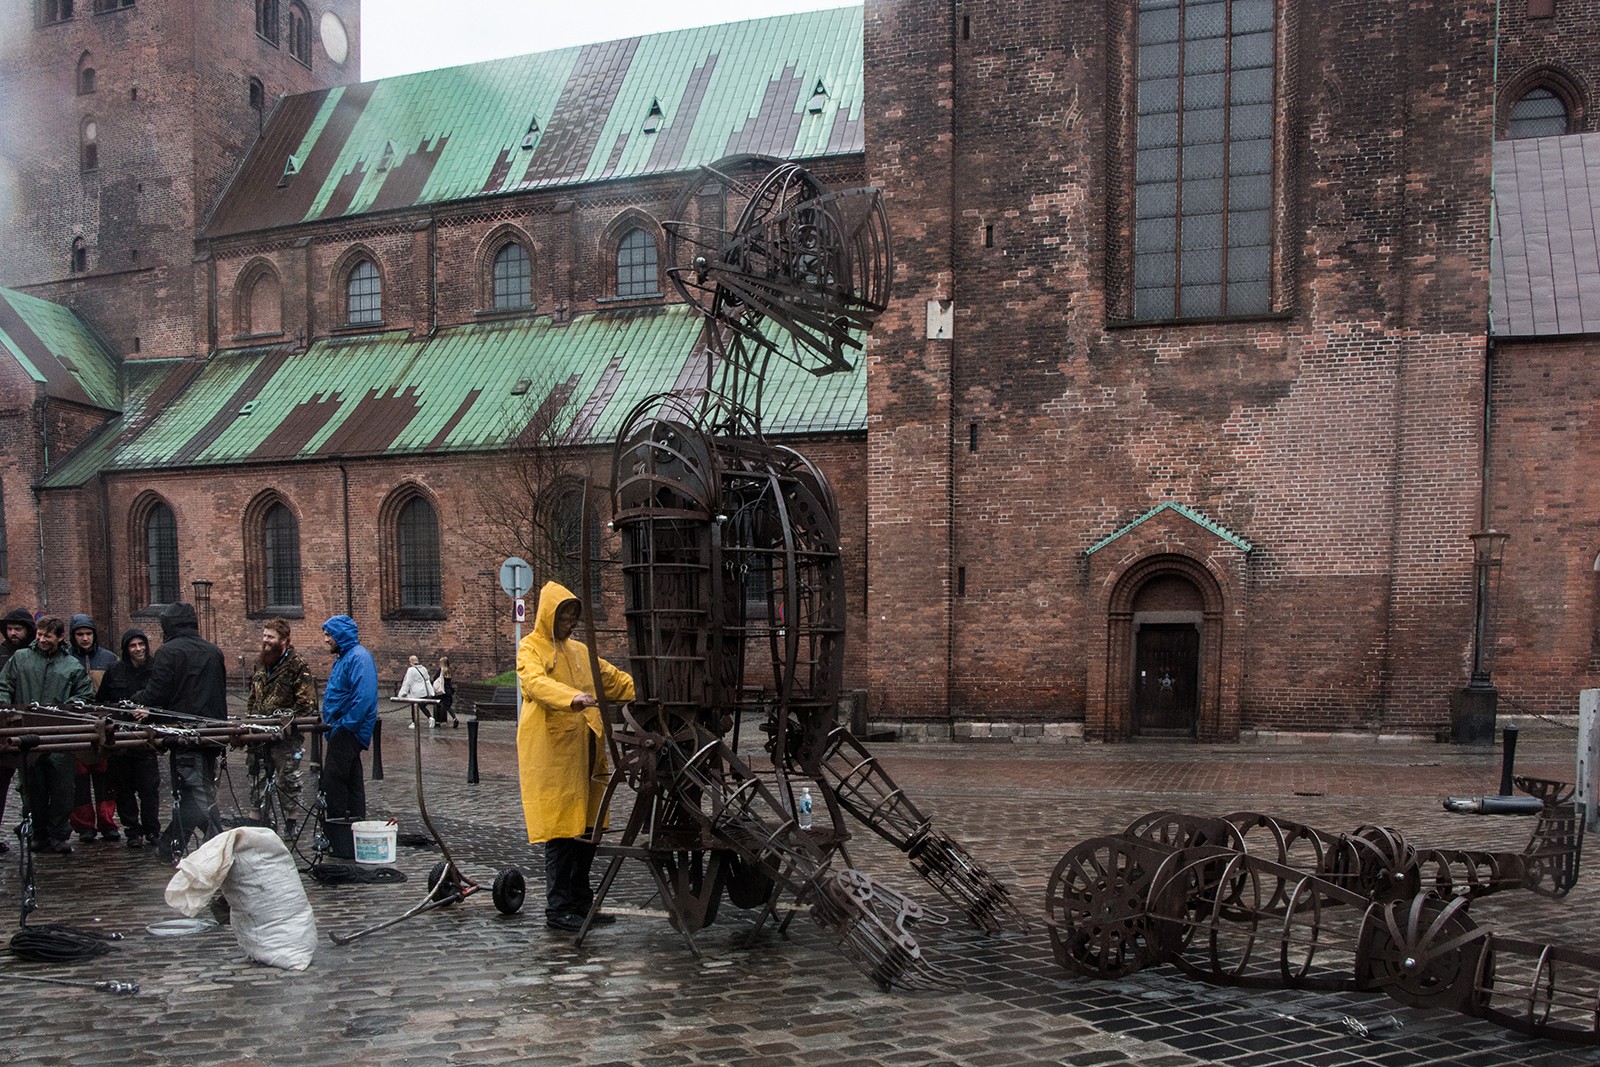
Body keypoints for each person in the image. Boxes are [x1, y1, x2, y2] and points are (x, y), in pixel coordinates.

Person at [516, 581, 634, 932]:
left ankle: (582, 903)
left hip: (587, 752)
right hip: (555, 758)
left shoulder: (580, 652)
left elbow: (612, 680)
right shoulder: (530, 648)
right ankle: (559, 908)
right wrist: (573, 697)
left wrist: (646, 689)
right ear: (550, 615)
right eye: (563, 615)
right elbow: (534, 683)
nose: (569, 622)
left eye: (573, 615)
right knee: (562, 835)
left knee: (587, 833)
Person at [130, 602, 227, 861]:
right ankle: (173, 846)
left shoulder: (169, 652)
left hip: (185, 736)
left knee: (194, 795)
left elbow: (157, 693)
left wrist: (135, 701)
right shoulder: (213, 651)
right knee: (196, 792)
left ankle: (219, 846)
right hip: (212, 734)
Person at [0, 616, 94, 853]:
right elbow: (4, 686)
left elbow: (84, 694)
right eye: (39, 635)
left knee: (62, 789)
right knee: (32, 788)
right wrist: (6, 707)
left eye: (47, 636)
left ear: (60, 637)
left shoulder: (71, 666)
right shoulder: (20, 659)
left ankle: (58, 834)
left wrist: (71, 706)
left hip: (59, 736)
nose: (41, 639)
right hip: (27, 733)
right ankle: (38, 832)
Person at [244, 618, 317, 835]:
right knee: (256, 775)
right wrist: (249, 721)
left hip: (285, 737)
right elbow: (253, 696)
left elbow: (306, 704)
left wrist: (286, 721)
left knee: (288, 779)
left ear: (284, 640)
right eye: (264, 636)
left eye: (270, 637)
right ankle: (256, 823)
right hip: (257, 734)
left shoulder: (297, 665)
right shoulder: (260, 662)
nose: (266, 641)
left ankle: (291, 823)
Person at [98, 628, 161, 848]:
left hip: (146, 739)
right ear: (126, 649)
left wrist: (150, 712)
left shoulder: (155, 669)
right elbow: (102, 702)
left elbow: (164, 700)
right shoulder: (115, 671)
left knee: (149, 788)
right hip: (121, 741)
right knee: (124, 790)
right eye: (133, 646)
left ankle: (152, 830)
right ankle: (133, 831)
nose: (138, 649)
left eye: (141, 644)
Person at [67, 613, 121, 843]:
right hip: (77, 726)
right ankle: (84, 824)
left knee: (105, 779)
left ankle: (107, 822)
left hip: (103, 724)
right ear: (73, 636)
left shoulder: (109, 659)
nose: (85, 638)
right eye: (80, 634)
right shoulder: (67, 660)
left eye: (88, 633)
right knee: (79, 781)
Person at [320, 615, 377, 823]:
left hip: (348, 729)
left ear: (339, 635)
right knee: (351, 781)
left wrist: (347, 725)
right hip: (341, 727)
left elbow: (364, 695)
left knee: (334, 781)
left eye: (329, 635)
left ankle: (339, 826)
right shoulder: (346, 657)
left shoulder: (358, 657)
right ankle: (352, 825)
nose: (326, 640)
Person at [0, 608, 36, 852]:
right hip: (3, 726)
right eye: (10, 629)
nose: (13, 633)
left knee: (32, 783)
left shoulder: (31, 656)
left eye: (18, 629)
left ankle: (33, 825)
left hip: (28, 724)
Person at [395, 654, 433, 728]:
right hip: (423, 691)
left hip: (415, 692)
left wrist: (403, 692)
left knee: (413, 707)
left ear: (411, 662)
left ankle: (414, 722)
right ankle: (430, 718)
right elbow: (427, 678)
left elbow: (408, 682)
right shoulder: (423, 669)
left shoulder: (411, 670)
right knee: (422, 707)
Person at [432, 655, 458, 728]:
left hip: (441, 691)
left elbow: (435, 678)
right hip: (448, 690)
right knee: (448, 707)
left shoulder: (441, 670)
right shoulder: (449, 670)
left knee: (438, 705)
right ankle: (454, 718)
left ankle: (437, 721)